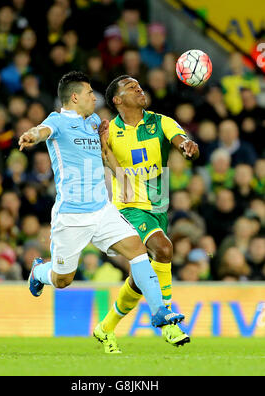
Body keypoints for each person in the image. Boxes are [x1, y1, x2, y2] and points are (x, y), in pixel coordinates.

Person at [18, 71, 184, 353]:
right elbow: (42, 131)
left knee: (139, 253)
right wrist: (32, 135)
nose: (94, 97)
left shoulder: (94, 122)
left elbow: (105, 154)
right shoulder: (57, 122)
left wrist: (121, 173)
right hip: (71, 216)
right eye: (89, 93)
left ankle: (162, 314)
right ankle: (39, 272)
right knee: (62, 279)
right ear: (74, 97)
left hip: (102, 210)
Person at [95, 74, 200, 350]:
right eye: (132, 87)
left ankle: (106, 328)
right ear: (118, 100)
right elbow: (108, 161)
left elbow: (181, 140)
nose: (139, 89)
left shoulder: (161, 122)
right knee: (163, 249)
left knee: (140, 280)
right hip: (129, 207)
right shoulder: (111, 130)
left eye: (140, 85)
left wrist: (188, 147)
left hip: (157, 207)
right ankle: (168, 323)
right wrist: (103, 146)